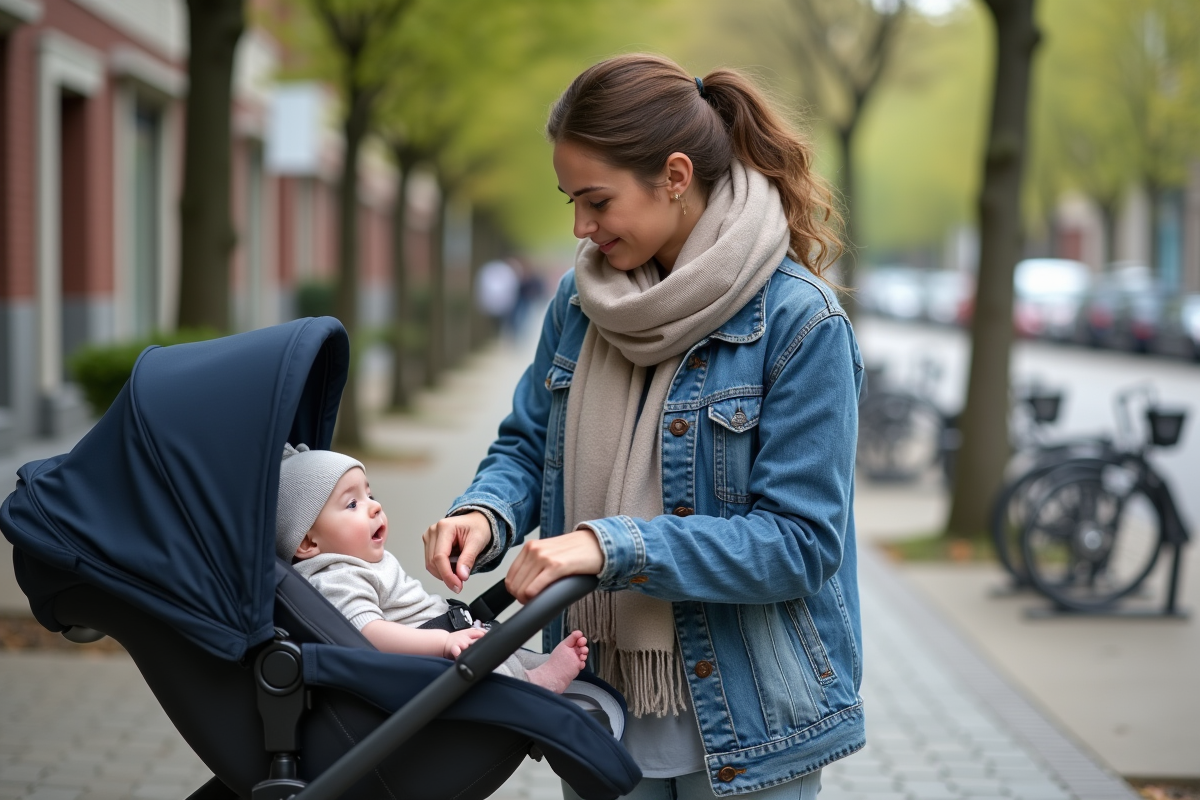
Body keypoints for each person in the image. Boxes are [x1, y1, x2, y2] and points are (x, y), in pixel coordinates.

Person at [424, 54, 863, 799]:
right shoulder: (578, 302)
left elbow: (800, 543)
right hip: (602, 698)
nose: (580, 227)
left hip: (754, 714)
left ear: (676, 176)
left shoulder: (801, 322)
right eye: (571, 201)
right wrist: (484, 513)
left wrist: (612, 545)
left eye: (597, 200)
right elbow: (530, 443)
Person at [275, 443, 588, 693]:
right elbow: (370, 633)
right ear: (308, 542)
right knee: (491, 662)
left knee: (507, 649)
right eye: (352, 504)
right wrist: (443, 643)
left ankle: (537, 668)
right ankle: (534, 685)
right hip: (431, 659)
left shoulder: (356, 562)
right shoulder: (336, 578)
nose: (375, 506)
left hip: (451, 637)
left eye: (370, 495)